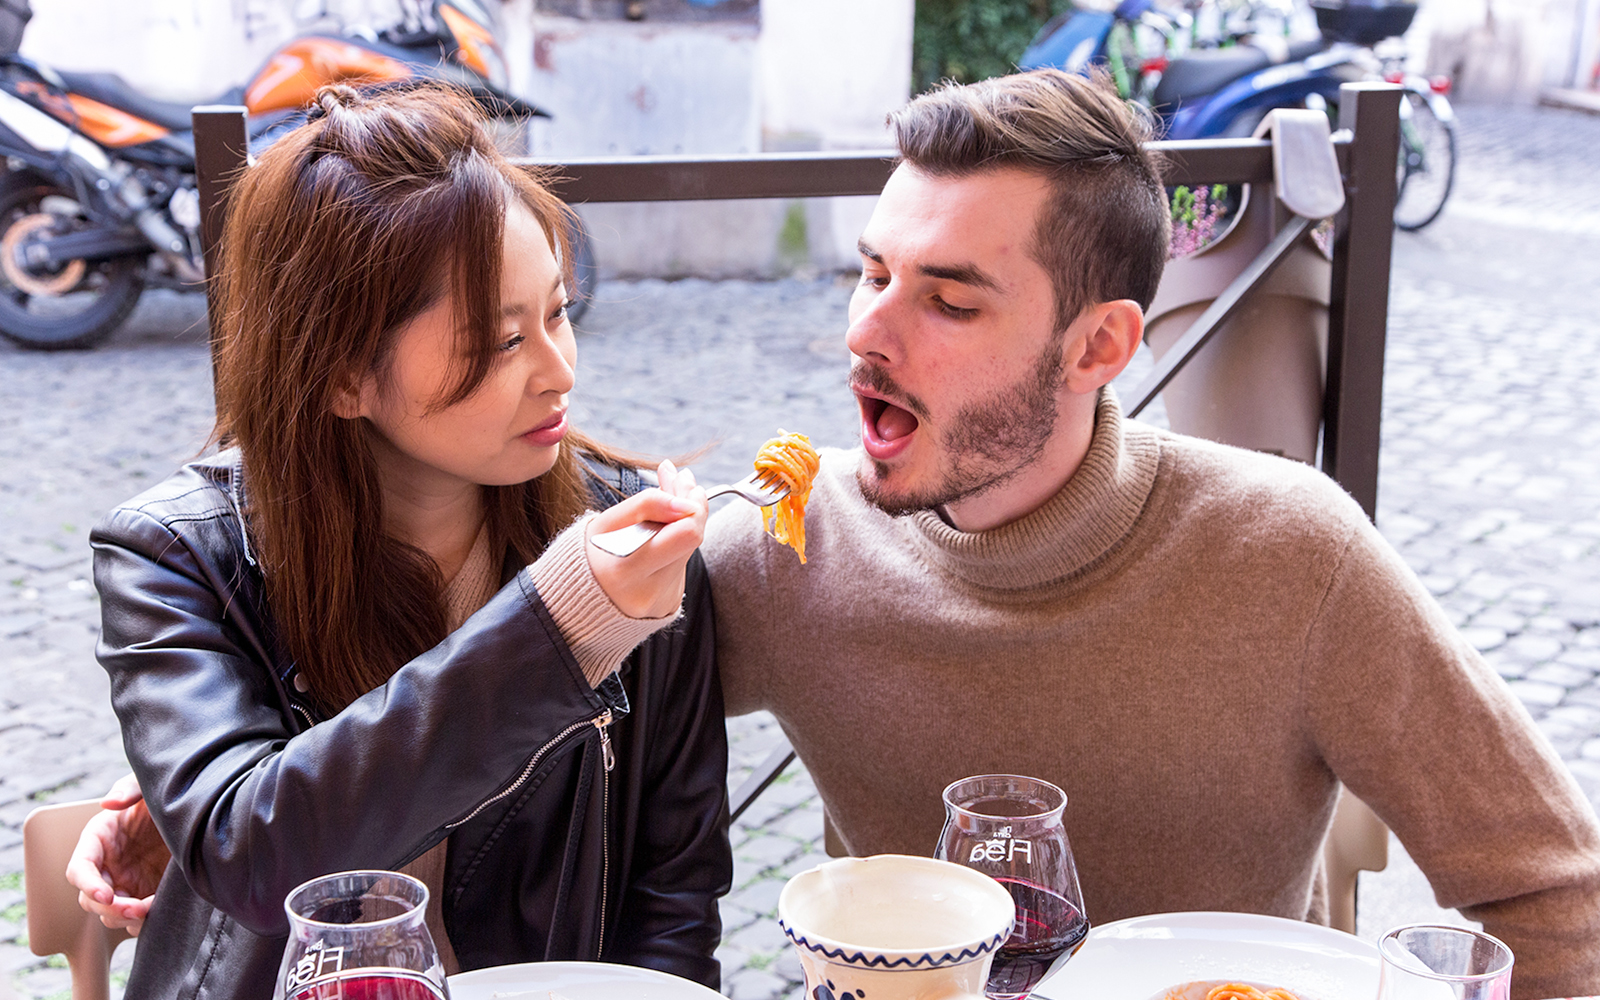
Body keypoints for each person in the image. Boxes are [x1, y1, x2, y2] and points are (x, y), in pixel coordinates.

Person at [72, 70, 1600, 998]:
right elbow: (294, 799)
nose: (868, 332)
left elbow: (1556, 899)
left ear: (1101, 343)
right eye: (869, 269)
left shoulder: (1297, 556)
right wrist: (184, 810)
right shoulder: (766, 552)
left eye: (947, 298)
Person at [72, 82, 730, 1000]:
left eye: (559, 310)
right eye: (501, 341)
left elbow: (675, 895)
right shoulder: (178, 554)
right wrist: (564, 626)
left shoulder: (628, 540)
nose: (558, 370)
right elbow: (251, 854)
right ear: (342, 374)